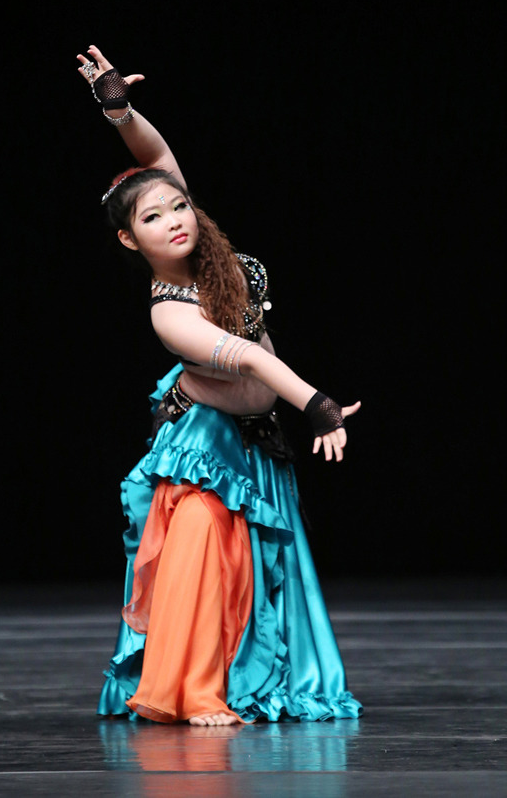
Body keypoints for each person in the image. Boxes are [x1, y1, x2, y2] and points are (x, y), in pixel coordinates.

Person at [76, 45, 363, 726]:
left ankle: (232, 682)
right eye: (152, 218)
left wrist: (119, 112)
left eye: (178, 206)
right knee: (205, 550)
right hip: (206, 442)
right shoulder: (170, 314)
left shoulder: (201, 242)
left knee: (253, 563)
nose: (174, 218)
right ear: (129, 240)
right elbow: (254, 363)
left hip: (255, 434)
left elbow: (156, 158)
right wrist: (319, 405)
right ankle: (189, 690)